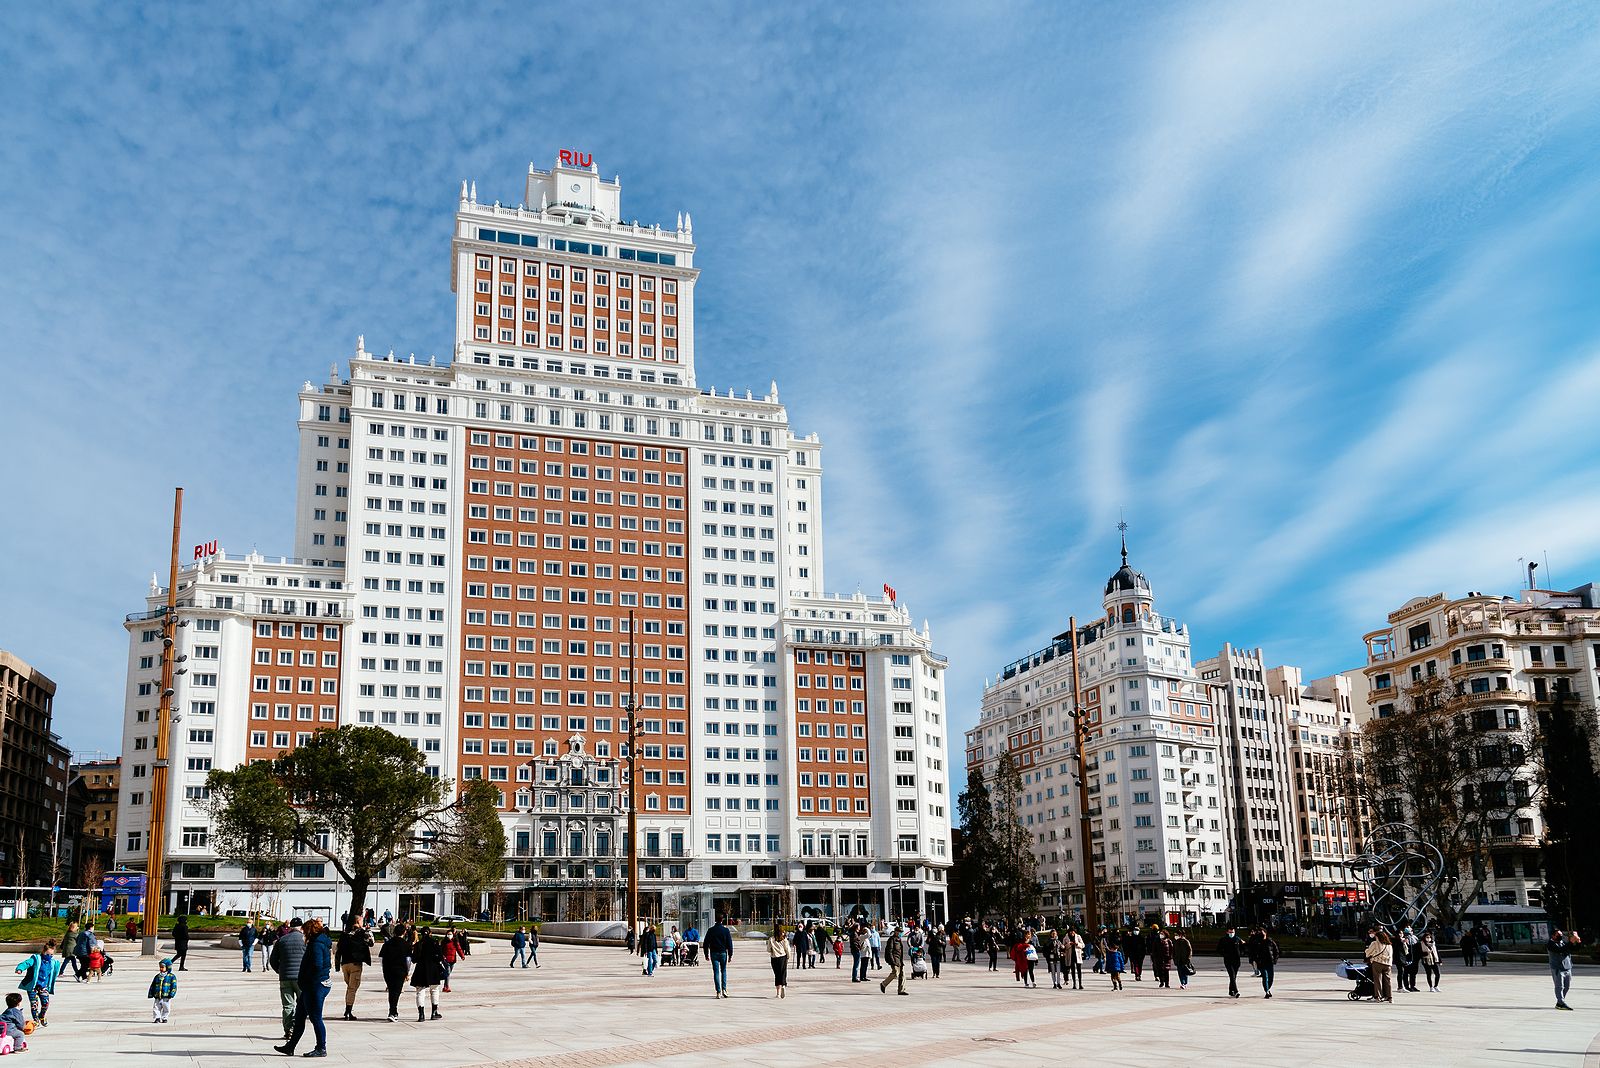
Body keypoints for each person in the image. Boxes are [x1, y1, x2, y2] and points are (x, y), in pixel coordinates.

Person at [276, 917, 332, 1058]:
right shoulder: (317, 942)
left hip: (315, 986)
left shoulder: (316, 944)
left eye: (305, 931)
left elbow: (317, 966)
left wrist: (307, 979)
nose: (303, 934)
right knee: (300, 1016)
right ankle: (290, 1046)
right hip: (310, 986)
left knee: (315, 1018)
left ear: (309, 931)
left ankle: (321, 1048)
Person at [269, 917, 307, 1040]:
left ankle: (288, 1030)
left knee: (287, 1005)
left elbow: (273, 960)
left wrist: (279, 970)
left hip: (285, 977)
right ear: (301, 927)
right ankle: (298, 1028)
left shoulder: (282, 940)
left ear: (290, 927)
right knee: (302, 1004)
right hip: (301, 977)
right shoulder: (305, 940)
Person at [15, 941, 59, 1027]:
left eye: (51, 955)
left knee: (45, 1003)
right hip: (33, 986)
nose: (49, 957)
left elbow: (53, 972)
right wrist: (20, 968)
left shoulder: (53, 962)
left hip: (43, 986)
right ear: (43, 952)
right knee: (34, 1004)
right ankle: (36, 1019)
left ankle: (41, 1016)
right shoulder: (36, 959)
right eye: (47, 954)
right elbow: (26, 963)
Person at [336, 918, 372, 1021]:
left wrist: (338, 965)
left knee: (350, 987)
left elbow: (339, 949)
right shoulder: (362, 934)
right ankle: (348, 1012)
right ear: (358, 923)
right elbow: (371, 942)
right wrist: (368, 930)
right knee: (352, 988)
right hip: (355, 964)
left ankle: (348, 1009)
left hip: (345, 964)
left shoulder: (345, 934)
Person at [379, 924, 411, 1022]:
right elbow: (408, 960)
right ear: (404, 932)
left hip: (388, 970)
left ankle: (393, 1011)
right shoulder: (406, 945)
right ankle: (393, 1012)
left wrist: (384, 968)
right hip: (400, 970)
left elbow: (381, 958)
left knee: (392, 990)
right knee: (396, 991)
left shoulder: (387, 944)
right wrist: (407, 972)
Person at [411, 927, 445, 1021]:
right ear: (430, 933)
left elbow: (414, 959)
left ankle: (421, 1015)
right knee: (434, 990)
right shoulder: (435, 943)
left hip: (420, 970)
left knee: (420, 992)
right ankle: (434, 1012)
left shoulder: (418, 944)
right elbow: (440, 958)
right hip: (433, 970)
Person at [1548, 929, 1581, 1010]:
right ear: (1553, 936)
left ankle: (1560, 1002)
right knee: (1559, 986)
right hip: (1557, 968)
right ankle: (1561, 1002)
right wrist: (1571, 941)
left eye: (1561, 935)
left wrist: (1577, 940)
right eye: (1558, 935)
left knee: (1567, 987)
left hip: (1567, 967)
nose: (1560, 936)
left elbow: (1574, 949)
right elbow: (1560, 950)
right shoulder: (1550, 944)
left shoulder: (1563, 942)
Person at [704, 915, 734, 999]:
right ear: (722, 920)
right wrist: (730, 954)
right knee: (723, 971)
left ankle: (718, 991)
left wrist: (706, 954)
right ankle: (724, 989)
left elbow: (706, 943)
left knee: (716, 972)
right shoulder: (725, 930)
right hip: (723, 953)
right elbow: (729, 943)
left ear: (715, 920)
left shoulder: (711, 930)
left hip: (714, 953)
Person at [1248, 926, 1279, 999]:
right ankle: (1267, 991)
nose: (1261, 934)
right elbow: (1252, 952)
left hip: (1270, 962)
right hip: (1261, 963)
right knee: (1265, 977)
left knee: (1270, 978)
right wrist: (1255, 960)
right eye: (1259, 933)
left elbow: (1276, 951)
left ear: (1265, 933)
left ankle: (1268, 989)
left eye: (1262, 932)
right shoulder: (1256, 942)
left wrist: (1275, 960)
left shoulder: (1270, 941)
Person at [1364, 927, 1394, 1003]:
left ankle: (1378, 996)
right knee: (1388, 981)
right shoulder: (1389, 945)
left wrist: (1367, 950)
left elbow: (1368, 953)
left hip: (1377, 963)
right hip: (1388, 964)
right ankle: (1389, 997)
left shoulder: (1375, 943)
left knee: (1378, 980)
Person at [1216, 925, 1243, 998]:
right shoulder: (1223, 939)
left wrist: (1241, 953)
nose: (1232, 933)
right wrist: (1224, 954)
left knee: (1233, 977)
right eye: (1230, 932)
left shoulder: (1237, 939)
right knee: (1232, 975)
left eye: (1233, 932)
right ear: (1227, 932)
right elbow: (1218, 949)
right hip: (1228, 961)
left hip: (1237, 960)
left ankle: (1231, 991)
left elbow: (1243, 947)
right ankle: (1236, 991)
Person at [879, 924, 908, 995]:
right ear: (895, 932)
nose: (900, 933)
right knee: (895, 973)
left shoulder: (899, 939)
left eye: (901, 932)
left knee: (902, 975)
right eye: (899, 932)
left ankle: (901, 990)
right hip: (894, 959)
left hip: (899, 960)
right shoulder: (892, 940)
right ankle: (883, 984)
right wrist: (892, 961)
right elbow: (889, 951)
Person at [148, 958, 177, 1023]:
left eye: (162, 967)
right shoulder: (157, 976)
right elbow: (153, 985)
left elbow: (174, 986)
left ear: (167, 967)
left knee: (166, 1008)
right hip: (158, 995)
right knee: (156, 1007)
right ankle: (157, 1017)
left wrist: (172, 993)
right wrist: (151, 993)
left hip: (166, 996)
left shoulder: (171, 976)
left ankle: (164, 1017)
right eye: (160, 967)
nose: (161, 969)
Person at [766, 924, 790, 998]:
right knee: (783, 972)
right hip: (782, 957)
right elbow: (787, 949)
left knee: (777, 974)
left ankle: (778, 993)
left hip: (774, 958)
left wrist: (773, 950)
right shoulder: (784, 939)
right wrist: (788, 956)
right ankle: (783, 985)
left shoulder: (771, 939)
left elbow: (768, 949)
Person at [1397, 925, 1420, 993]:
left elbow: (1418, 947)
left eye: (1410, 928)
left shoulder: (1415, 938)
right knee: (1406, 973)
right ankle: (1406, 986)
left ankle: (1412, 986)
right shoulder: (1403, 939)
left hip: (1415, 958)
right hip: (1406, 958)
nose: (1409, 929)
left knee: (1413, 973)